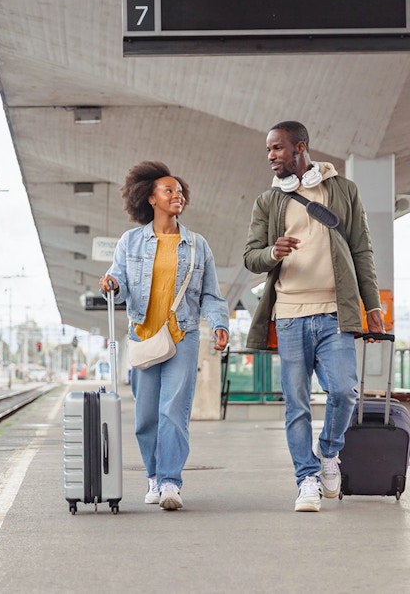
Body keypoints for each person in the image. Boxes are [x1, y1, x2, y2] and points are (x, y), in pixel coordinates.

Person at [243, 120, 385, 512]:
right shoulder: (267, 202)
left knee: (343, 392)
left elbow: (362, 252)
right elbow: (251, 256)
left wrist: (372, 307)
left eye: (277, 149)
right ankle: (306, 478)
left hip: (334, 314)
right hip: (289, 315)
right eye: (268, 150)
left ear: (300, 147)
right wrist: (273, 252)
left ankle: (328, 454)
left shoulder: (342, 190)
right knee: (297, 403)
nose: (271, 156)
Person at [99, 161, 229, 511]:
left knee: (174, 410)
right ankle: (154, 476)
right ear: (151, 199)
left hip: (182, 335)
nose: (177, 195)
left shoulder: (197, 245)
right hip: (144, 336)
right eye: (168, 190)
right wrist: (111, 284)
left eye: (180, 191)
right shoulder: (131, 241)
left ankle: (171, 481)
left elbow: (211, 295)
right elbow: (120, 284)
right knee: (146, 416)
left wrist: (219, 325)